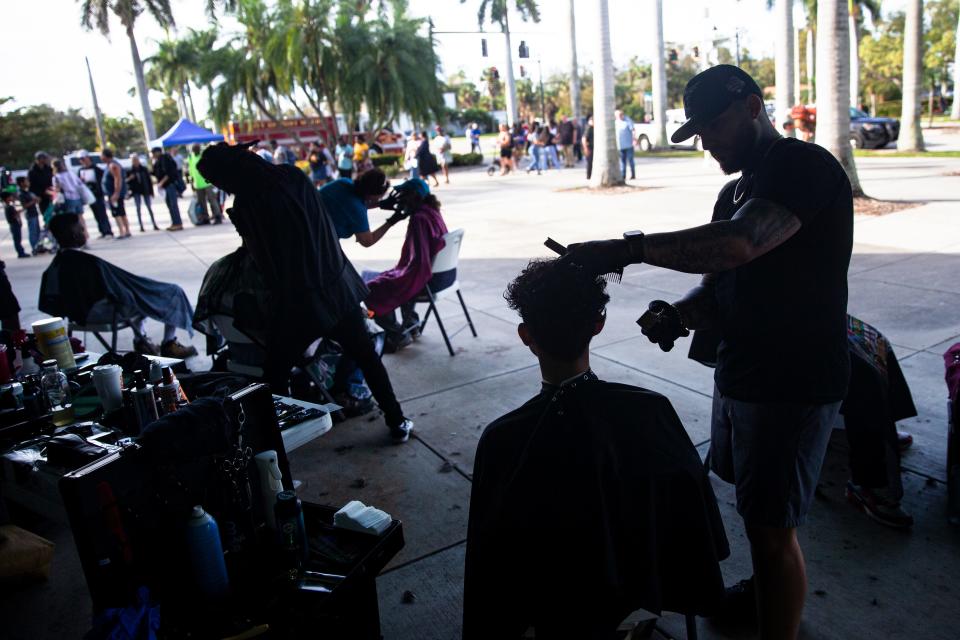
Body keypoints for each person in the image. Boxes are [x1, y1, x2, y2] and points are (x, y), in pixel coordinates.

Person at [563, 65, 853, 640]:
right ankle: (766, 594)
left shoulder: (802, 166)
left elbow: (741, 244)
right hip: (743, 372)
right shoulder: (735, 190)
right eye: (697, 131)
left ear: (751, 107)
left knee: (773, 529)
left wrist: (628, 249)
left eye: (714, 124)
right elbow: (723, 279)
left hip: (792, 382)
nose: (708, 141)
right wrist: (681, 313)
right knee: (756, 515)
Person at [463, 258, 729, 639]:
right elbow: (693, 513)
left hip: (556, 608)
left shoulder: (502, 439)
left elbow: (491, 566)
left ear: (525, 335)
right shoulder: (651, 410)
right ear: (598, 325)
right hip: (643, 587)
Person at [196, 141, 415, 442]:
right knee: (366, 357)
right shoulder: (293, 175)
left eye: (215, 180)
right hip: (337, 286)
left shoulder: (247, 206)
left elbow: (260, 258)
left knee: (274, 375)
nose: (216, 186)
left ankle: (276, 439)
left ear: (227, 176)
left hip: (298, 302)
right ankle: (397, 420)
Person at [39, 213, 198, 358]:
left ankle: (141, 341)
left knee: (135, 296)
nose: (85, 232)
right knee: (169, 293)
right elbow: (120, 292)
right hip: (107, 313)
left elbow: (49, 303)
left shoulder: (56, 266)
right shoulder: (90, 264)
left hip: (79, 316)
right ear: (75, 234)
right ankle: (168, 344)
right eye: (82, 228)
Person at [363, 178, 447, 353]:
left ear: (413, 196)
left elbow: (418, 263)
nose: (398, 199)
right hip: (442, 276)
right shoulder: (431, 211)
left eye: (403, 195)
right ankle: (411, 324)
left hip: (426, 278)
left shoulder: (419, 218)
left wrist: (398, 274)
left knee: (370, 288)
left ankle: (398, 335)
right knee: (384, 279)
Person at [318, 168, 397, 246]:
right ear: (372, 194)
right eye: (379, 197)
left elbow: (348, 206)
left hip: (310, 223)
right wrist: (392, 221)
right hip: (318, 239)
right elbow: (367, 241)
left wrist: (379, 204)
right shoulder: (357, 210)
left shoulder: (343, 182)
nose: (380, 198)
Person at [77, 153, 114, 238]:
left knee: (102, 213)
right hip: (89, 195)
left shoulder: (96, 169)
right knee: (96, 214)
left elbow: (102, 180)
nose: (82, 161)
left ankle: (108, 231)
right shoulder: (81, 170)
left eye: (83, 158)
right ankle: (102, 231)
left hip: (98, 194)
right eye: (81, 159)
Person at [99, 149, 131, 238]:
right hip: (112, 193)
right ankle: (126, 230)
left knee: (117, 213)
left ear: (105, 156)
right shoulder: (109, 165)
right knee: (120, 212)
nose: (100, 157)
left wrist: (116, 193)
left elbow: (118, 179)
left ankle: (122, 232)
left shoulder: (113, 165)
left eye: (101, 155)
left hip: (114, 194)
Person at [151, 147, 184, 231]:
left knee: (173, 205)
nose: (152, 155)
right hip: (165, 187)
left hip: (170, 185)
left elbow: (169, 173)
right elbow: (155, 172)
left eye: (153, 153)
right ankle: (174, 223)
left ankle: (178, 223)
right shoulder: (158, 161)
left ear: (157, 152)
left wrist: (161, 182)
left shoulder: (165, 158)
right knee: (170, 205)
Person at [188, 143, 221, 225]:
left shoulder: (204, 156)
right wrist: (192, 183)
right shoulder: (191, 157)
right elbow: (191, 171)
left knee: (212, 200)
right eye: (194, 149)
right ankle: (205, 218)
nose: (195, 151)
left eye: (197, 149)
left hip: (208, 183)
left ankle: (217, 216)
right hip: (198, 184)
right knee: (202, 202)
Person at [126, 154, 159, 232]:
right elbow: (126, 182)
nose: (135, 162)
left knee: (149, 207)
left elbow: (149, 181)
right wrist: (130, 179)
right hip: (136, 191)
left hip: (145, 190)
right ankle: (141, 226)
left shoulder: (144, 169)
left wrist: (151, 192)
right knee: (138, 208)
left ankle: (154, 224)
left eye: (136, 160)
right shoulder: (130, 171)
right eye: (133, 161)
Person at [15, 178, 42, 254]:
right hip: (30, 214)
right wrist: (33, 201)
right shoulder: (21, 194)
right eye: (26, 181)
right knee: (33, 232)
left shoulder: (28, 192)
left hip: (34, 213)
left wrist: (36, 199)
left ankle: (38, 246)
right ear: (21, 183)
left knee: (37, 231)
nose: (28, 182)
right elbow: (24, 206)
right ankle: (34, 247)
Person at [2, 189, 29, 258]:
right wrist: (21, 210)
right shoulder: (9, 207)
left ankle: (21, 251)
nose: (12, 198)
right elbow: (15, 214)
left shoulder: (8, 206)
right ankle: (20, 253)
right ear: (7, 198)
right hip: (14, 224)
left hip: (13, 224)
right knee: (17, 239)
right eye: (10, 197)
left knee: (18, 239)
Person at [27, 152, 54, 218]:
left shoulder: (48, 169)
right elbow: (31, 185)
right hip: (41, 196)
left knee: (54, 213)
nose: (45, 160)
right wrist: (35, 196)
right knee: (45, 213)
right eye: (43, 158)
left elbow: (53, 180)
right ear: (38, 159)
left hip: (51, 194)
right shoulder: (32, 171)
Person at [614, 109, 636, 180]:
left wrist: (634, 139)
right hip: (620, 146)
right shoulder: (615, 122)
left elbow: (633, 130)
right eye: (617, 115)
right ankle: (623, 175)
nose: (619, 116)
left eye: (620, 115)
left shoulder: (627, 121)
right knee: (622, 162)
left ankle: (633, 174)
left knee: (630, 160)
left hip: (629, 145)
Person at [582, 115, 595, 180]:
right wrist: (586, 148)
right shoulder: (589, 128)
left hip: (592, 148)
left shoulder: (592, 128)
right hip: (589, 148)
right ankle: (589, 176)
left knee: (592, 162)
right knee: (590, 162)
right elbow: (584, 139)